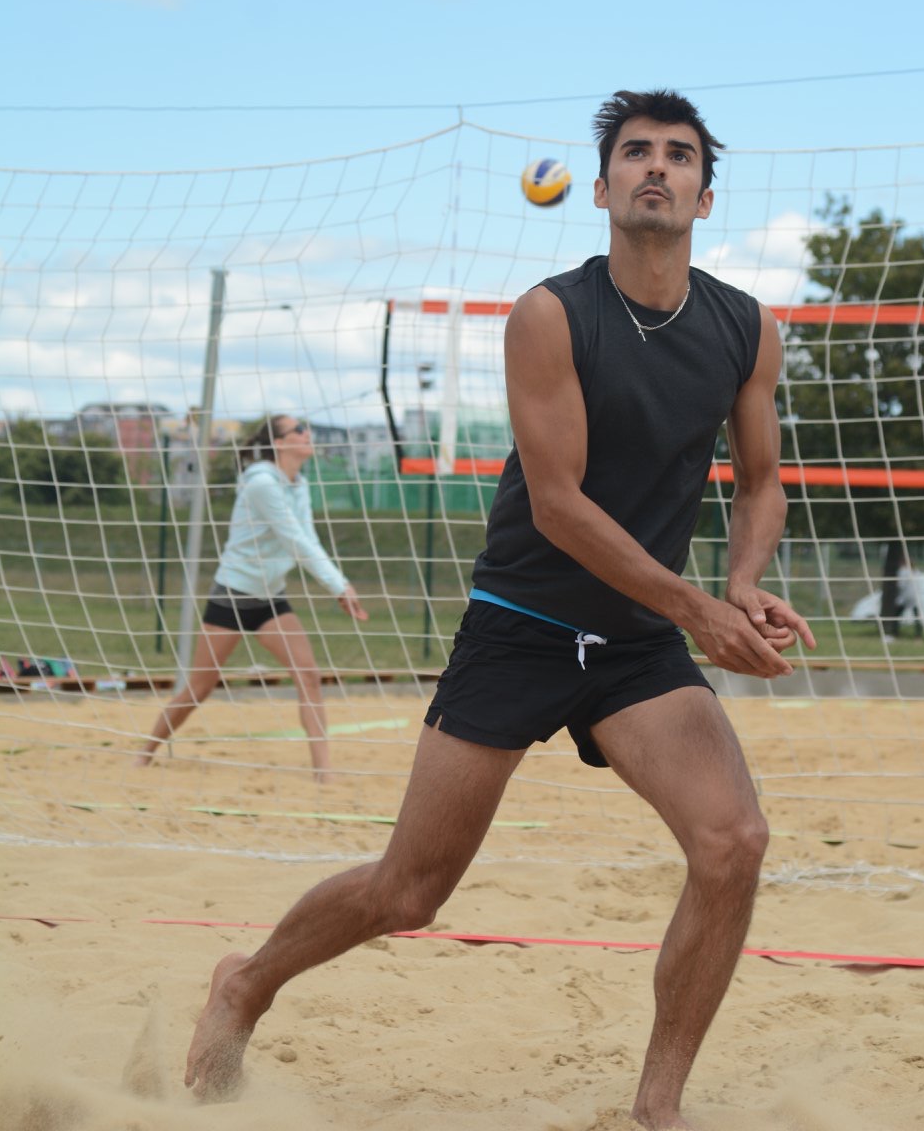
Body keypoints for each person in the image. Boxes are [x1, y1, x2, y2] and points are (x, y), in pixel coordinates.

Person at [183, 91, 815, 1130]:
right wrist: (700, 608)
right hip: (523, 621)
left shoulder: (745, 328)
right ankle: (245, 984)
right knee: (408, 892)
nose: (656, 167)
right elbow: (558, 506)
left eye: (679, 155)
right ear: (602, 187)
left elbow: (759, 482)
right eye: (635, 153)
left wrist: (741, 582)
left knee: (732, 840)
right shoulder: (550, 315)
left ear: (707, 195)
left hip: (636, 641)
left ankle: (657, 1108)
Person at [136, 415, 368, 781]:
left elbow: (308, 538)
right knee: (199, 688)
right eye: (299, 430)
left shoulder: (300, 484)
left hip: (270, 599)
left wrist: (338, 585)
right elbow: (295, 541)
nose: (308, 434)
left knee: (308, 675)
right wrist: (339, 585)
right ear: (279, 442)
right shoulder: (261, 484)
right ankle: (145, 752)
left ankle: (324, 774)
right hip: (233, 596)